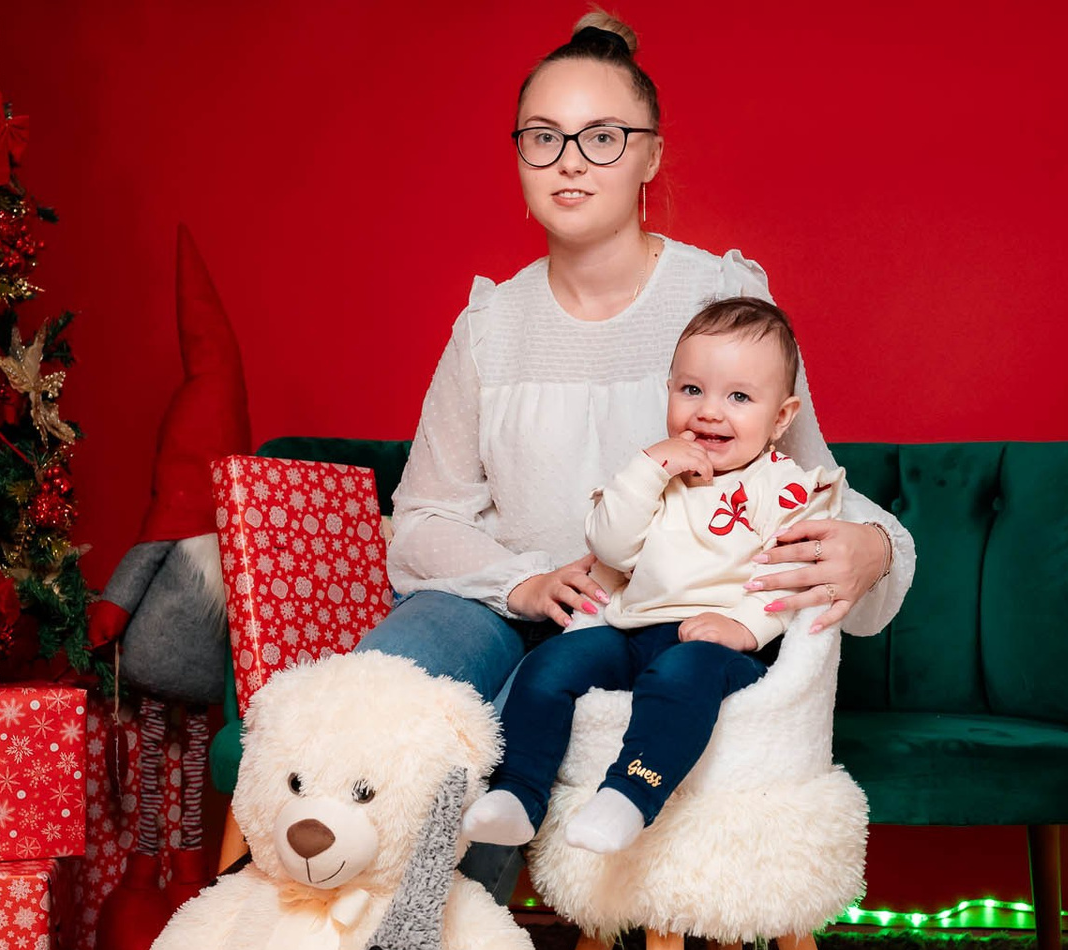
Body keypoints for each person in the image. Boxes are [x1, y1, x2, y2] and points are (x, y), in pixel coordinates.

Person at [358, 11, 917, 895]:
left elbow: (807, 482)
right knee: (379, 701)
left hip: (647, 617)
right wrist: (525, 583)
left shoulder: (721, 296)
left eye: (603, 137)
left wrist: (876, 548)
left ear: (651, 156)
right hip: (501, 599)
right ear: (519, 156)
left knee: (486, 758)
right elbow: (424, 517)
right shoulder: (489, 326)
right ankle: (314, 949)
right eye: (543, 137)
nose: (569, 161)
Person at [463, 297, 840, 855]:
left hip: (716, 649)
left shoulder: (783, 488)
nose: (709, 411)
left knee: (681, 674)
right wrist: (649, 469)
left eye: (738, 397)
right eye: (691, 390)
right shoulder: (655, 476)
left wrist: (742, 628)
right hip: (633, 629)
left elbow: (793, 573)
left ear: (781, 418)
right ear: (668, 391)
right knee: (550, 663)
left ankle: (630, 794)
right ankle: (518, 793)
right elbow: (611, 547)